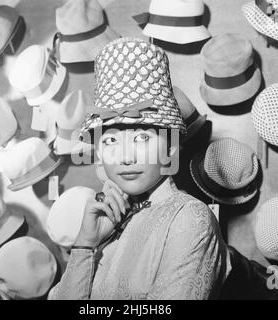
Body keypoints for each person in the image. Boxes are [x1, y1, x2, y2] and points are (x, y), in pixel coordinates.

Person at [49, 37, 231, 300]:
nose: (124, 157)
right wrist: (86, 245)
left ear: (170, 149)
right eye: (111, 140)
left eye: (141, 138)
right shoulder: (106, 219)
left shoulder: (190, 219)